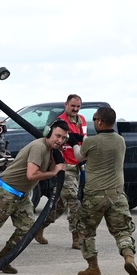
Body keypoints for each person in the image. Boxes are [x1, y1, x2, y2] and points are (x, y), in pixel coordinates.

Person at [0, 121, 68, 274]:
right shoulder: (39, 147)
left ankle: (2, 260)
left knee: (28, 228)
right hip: (5, 192)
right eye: (57, 136)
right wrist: (53, 172)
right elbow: (32, 175)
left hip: (21, 195)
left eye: (63, 138)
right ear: (48, 132)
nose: (60, 140)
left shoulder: (49, 150)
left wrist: (57, 161)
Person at [75, 107, 137, 275]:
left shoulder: (92, 141)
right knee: (122, 231)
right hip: (117, 194)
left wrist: (76, 142)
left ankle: (93, 267)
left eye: (95, 119)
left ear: (99, 122)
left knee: (85, 230)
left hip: (95, 195)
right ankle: (129, 258)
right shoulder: (120, 141)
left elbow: (77, 157)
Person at [36, 94, 87, 247]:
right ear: (66, 105)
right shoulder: (59, 123)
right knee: (73, 201)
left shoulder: (82, 120)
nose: (76, 109)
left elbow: (83, 139)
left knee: (59, 205)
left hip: (77, 166)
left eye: (78, 106)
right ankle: (76, 238)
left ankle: (39, 227)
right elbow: (61, 142)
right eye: (73, 106)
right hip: (64, 168)